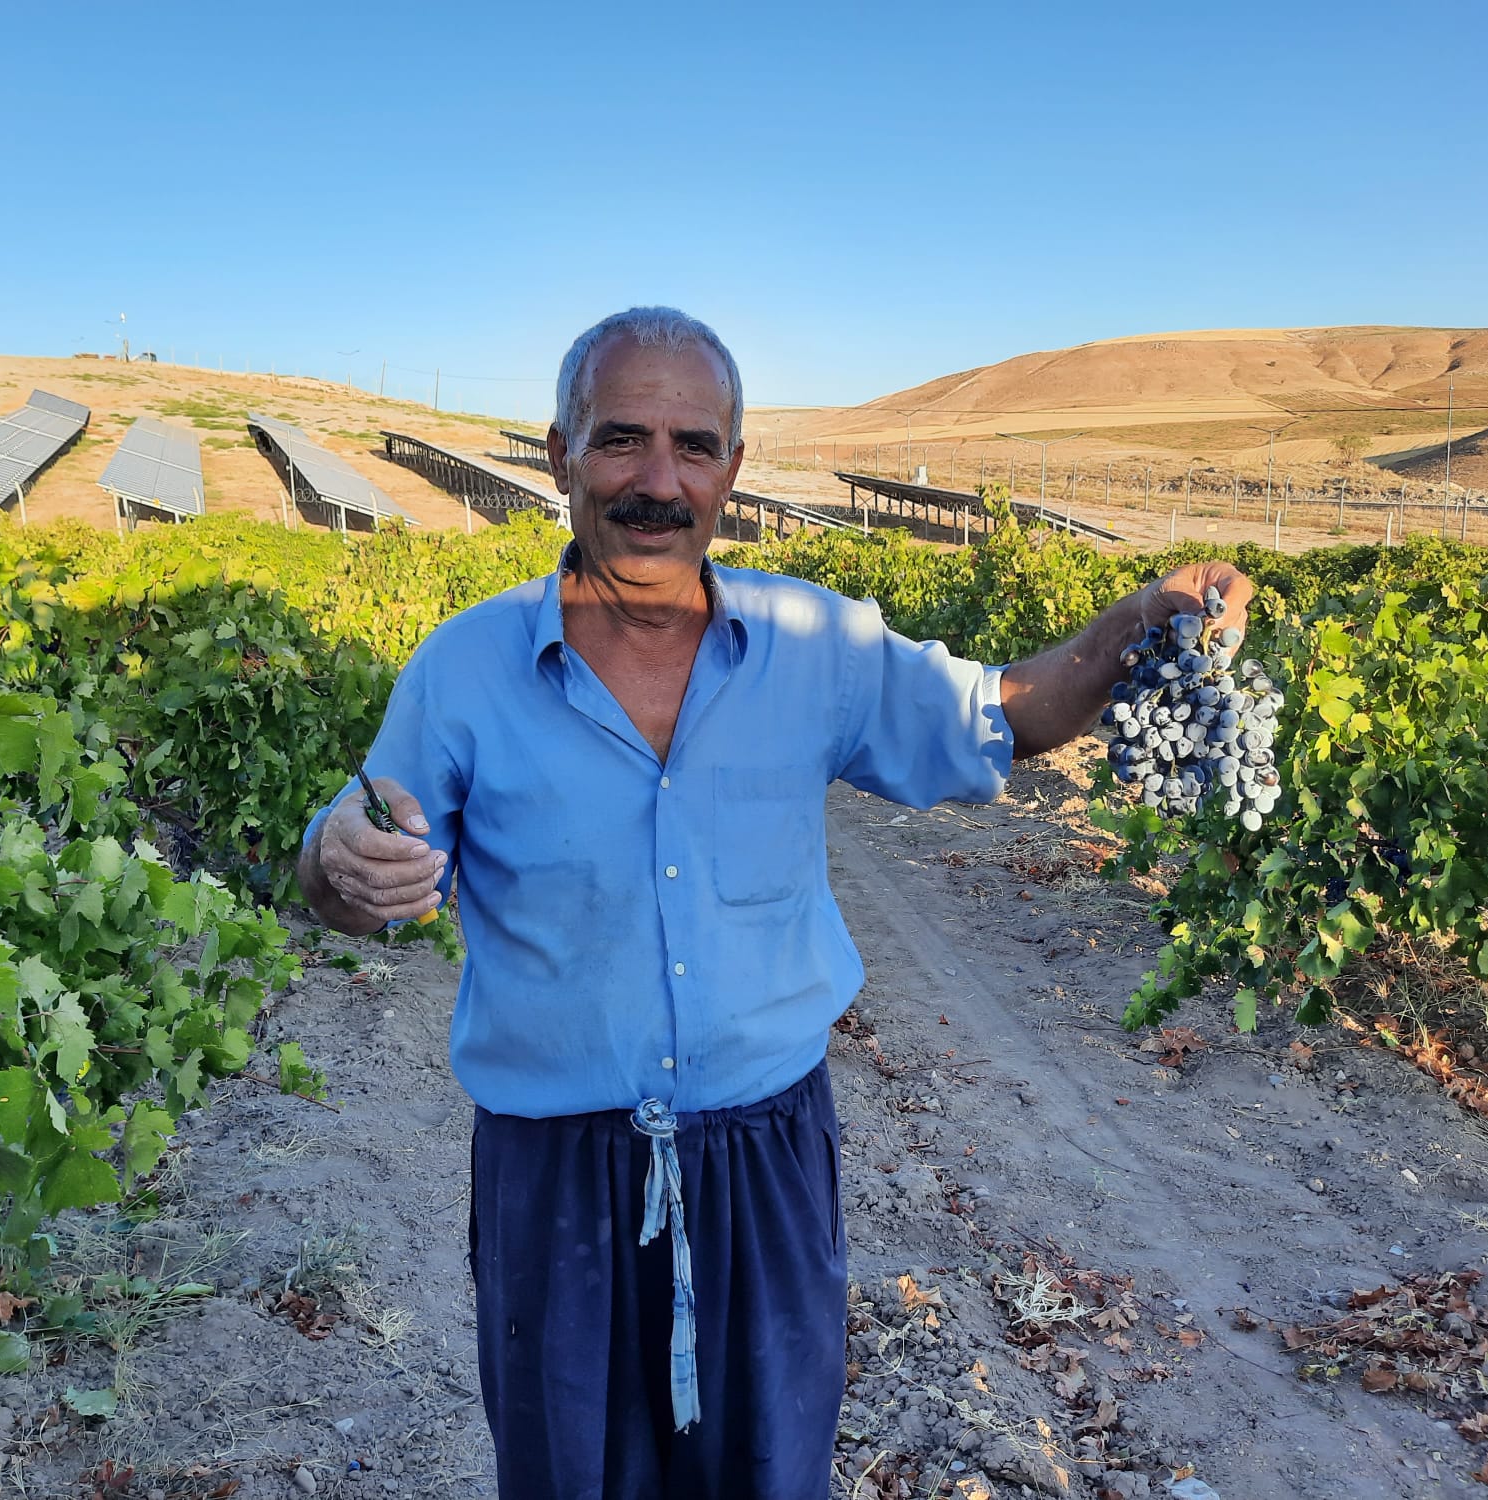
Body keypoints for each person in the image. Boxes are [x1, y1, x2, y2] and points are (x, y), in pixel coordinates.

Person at [298, 307, 1251, 1500]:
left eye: (693, 446)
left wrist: (1134, 621)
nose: (658, 481)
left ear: (733, 471)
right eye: (620, 440)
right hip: (553, 1181)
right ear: (557, 454)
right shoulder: (462, 668)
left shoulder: (817, 644)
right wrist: (339, 862)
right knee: (565, 1476)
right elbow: (351, 865)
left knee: (769, 1472)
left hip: (766, 1163)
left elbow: (1007, 715)